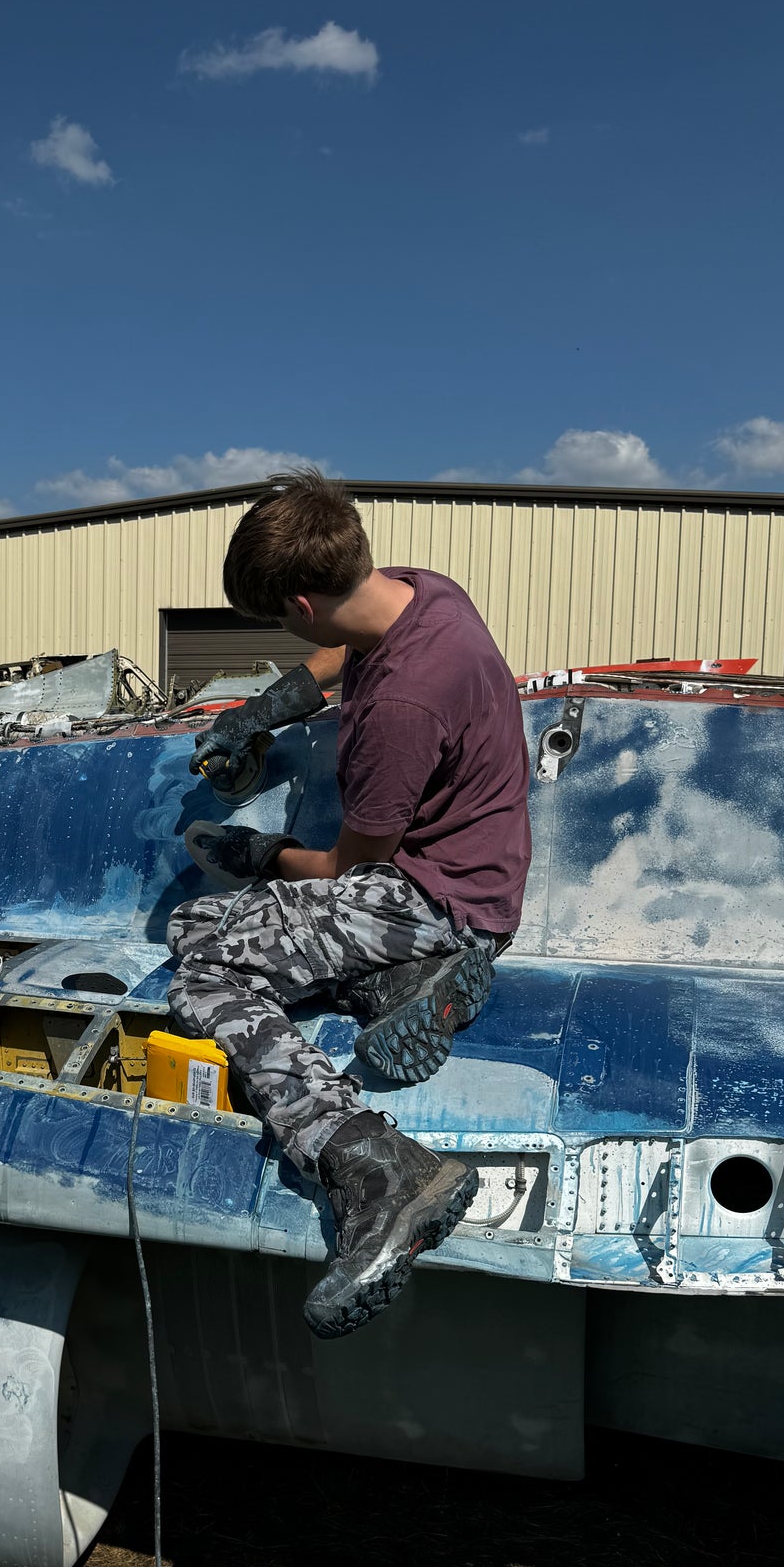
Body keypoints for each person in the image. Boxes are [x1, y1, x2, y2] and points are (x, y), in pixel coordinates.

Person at [168, 471, 531, 1339]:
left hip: (422, 890)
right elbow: (340, 650)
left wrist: (255, 855)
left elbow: (342, 866)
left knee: (203, 964)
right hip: (475, 872)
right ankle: (400, 983)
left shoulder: (402, 708)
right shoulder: (420, 593)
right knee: (192, 921)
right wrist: (259, 713)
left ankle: (371, 1164)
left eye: (283, 618)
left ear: (298, 599)